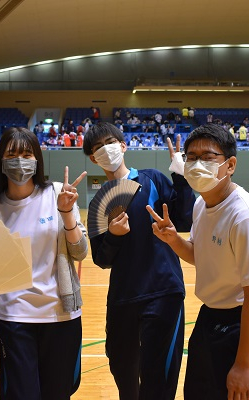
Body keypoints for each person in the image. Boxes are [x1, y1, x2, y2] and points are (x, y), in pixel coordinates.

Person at [146, 123, 249, 400]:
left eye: (207, 157)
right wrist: (173, 240)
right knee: (195, 393)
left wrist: (243, 366)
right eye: (191, 157)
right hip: (210, 315)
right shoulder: (201, 205)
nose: (196, 164)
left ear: (230, 165)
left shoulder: (246, 217)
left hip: (241, 320)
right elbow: (200, 256)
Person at [81, 122, 195, 399]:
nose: (104, 150)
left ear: (123, 145)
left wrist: (181, 176)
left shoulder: (152, 179)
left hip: (163, 291)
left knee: (158, 380)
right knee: (124, 375)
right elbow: (101, 259)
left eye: (109, 142)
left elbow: (184, 218)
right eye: (97, 148)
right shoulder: (99, 202)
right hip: (123, 298)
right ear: (92, 158)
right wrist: (115, 236)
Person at [0, 127, 88, 400]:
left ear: (37, 159)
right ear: (1, 160)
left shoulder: (57, 194)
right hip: (13, 318)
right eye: (12, 153)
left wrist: (66, 213)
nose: (20, 160)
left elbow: (80, 252)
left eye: (27, 153)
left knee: (59, 394)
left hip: (60, 316)